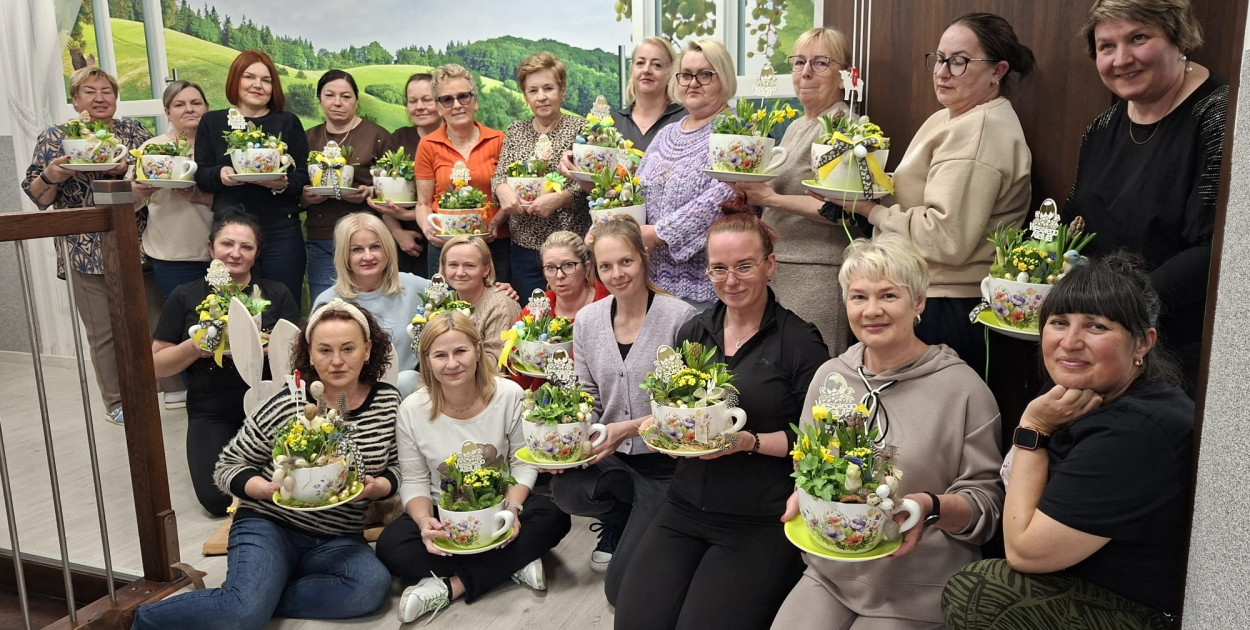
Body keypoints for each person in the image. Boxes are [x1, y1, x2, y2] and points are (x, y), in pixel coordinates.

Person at [942, 256, 1192, 630]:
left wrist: (1033, 428)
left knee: (978, 591)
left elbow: (1025, 553)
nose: (1070, 342)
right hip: (1071, 576)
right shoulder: (1075, 392)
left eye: (1096, 326)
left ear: (1143, 343)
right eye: (1059, 322)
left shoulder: (1137, 430)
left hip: (1137, 610)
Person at [771, 233, 1004, 629]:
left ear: (919, 303)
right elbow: (808, 466)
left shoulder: (964, 390)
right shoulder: (831, 377)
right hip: (831, 571)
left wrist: (927, 507)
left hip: (920, 582)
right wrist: (804, 496)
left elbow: (987, 508)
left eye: (888, 296)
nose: (871, 310)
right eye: (858, 297)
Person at [614, 214, 828, 629]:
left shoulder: (801, 343)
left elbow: (816, 441)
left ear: (770, 264)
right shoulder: (693, 331)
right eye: (719, 268)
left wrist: (749, 442)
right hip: (685, 504)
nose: (731, 280)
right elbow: (676, 407)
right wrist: (662, 428)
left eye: (744, 265)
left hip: (759, 518)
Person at [132, 300, 401, 629]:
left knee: (369, 588)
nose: (337, 361)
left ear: (368, 349)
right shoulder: (290, 401)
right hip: (269, 524)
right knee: (242, 615)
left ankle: (258, 596)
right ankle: (139, 618)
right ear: (310, 354)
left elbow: (399, 468)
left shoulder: (388, 401)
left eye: (348, 348)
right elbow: (228, 465)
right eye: (325, 350)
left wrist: (382, 486)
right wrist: (254, 486)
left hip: (337, 537)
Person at [817, 13, 1035, 376]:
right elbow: (919, 195)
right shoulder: (950, 117)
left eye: (959, 61)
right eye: (938, 58)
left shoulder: (980, 131)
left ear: (997, 71)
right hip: (922, 295)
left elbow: (946, 236)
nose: (942, 71)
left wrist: (870, 209)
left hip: (950, 306)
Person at [1064, 0, 1225, 395]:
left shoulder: (1224, 115)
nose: (1121, 59)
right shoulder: (1102, 127)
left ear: (1179, 39)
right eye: (1106, 46)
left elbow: (1217, 246)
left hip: (1177, 353)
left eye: (1139, 38)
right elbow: (1076, 218)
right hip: (1100, 342)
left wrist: (1119, 311)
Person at [375, 311, 571, 623]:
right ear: (426, 359)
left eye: (461, 351)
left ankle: (451, 586)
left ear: (478, 350)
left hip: (501, 508)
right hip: (445, 513)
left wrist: (514, 510)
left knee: (555, 515)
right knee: (391, 547)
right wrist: (425, 521)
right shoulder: (412, 409)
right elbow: (413, 479)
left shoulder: (509, 395)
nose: (452, 364)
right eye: (440, 355)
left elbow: (522, 462)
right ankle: (512, 565)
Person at [549, 218, 694, 601]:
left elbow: (688, 408)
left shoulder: (680, 317)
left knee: (620, 592)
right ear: (594, 269)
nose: (616, 274)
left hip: (667, 466)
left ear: (644, 258)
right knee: (567, 488)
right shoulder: (587, 320)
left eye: (625, 262)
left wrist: (627, 430)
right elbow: (588, 395)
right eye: (606, 266)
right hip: (615, 461)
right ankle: (622, 519)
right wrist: (573, 441)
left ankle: (656, 525)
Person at [22, 65, 154, 426]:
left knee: (149, 322)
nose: (99, 98)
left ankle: (156, 390)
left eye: (106, 91)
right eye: (89, 92)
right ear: (75, 100)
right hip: (85, 251)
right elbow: (39, 197)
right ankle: (116, 401)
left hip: (140, 244)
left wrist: (128, 172)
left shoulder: (133, 132)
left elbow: (155, 176)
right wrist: (54, 173)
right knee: (104, 333)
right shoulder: (57, 136)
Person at [151, 212, 299, 516]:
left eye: (246, 247)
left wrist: (271, 348)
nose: (235, 253)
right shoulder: (186, 296)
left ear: (256, 254)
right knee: (217, 500)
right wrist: (195, 347)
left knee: (293, 484)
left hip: (270, 407)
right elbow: (157, 366)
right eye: (227, 244)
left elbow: (300, 355)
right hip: (211, 410)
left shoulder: (276, 293)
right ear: (210, 248)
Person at [735, 27, 856, 356]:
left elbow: (842, 212)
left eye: (820, 63)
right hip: (784, 268)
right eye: (799, 62)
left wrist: (769, 198)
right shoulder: (797, 125)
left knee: (813, 376)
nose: (805, 72)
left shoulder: (843, 126)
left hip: (817, 274)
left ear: (844, 75)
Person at [194, 49, 311, 305]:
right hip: (231, 231)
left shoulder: (287, 122)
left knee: (283, 303)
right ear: (235, 80)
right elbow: (201, 173)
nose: (257, 85)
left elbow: (302, 175)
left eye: (266, 80)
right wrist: (220, 174)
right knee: (230, 305)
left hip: (281, 230)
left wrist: (283, 184)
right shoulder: (213, 122)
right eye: (249, 77)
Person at [635, 39, 738, 310]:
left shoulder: (735, 130)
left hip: (705, 290)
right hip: (653, 284)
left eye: (705, 74)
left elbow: (723, 196)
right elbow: (636, 188)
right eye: (686, 74)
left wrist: (659, 233)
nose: (693, 82)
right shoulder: (667, 133)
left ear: (724, 78)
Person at [491, 52, 590, 299]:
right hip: (524, 247)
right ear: (525, 96)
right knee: (534, 316)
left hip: (569, 249)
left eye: (549, 88)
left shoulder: (582, 129)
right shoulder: (515, 130)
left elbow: (595, 184)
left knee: (572, 314)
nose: (542, 96)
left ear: (562, 91)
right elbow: (500, 175)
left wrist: (562, 198)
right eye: (533, 90)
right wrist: (502, 191)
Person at [314, 212, 429, 398]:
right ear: (345, 255)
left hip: (406, 393)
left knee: (408, 379)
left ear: (387, 249)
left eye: (375, 247)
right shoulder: (327, 301)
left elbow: (461, 300)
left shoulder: (415, 287)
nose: (368, 257)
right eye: (357, 250)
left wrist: (491, 289)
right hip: (348, 395)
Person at [302, 69, 391, 300]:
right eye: (329, 95)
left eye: (346, 96)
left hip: (367, 241)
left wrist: (370, 192)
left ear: (356, 101)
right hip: (323, 238)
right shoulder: (307, 138)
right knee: (327, 306)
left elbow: (395, 184)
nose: (337, 103)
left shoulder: (377, 136)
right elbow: (294, 190)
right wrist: (306, 197)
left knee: (370, 303)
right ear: (320, 99)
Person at [415, 63, 509, 280]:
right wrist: (429, 230)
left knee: (496, 307)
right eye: (447, 99)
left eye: (463, 97)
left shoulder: (498, 140)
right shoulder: (428, 145)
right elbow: (423, 203)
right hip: (446, 249)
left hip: (494, 245)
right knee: (445, 310)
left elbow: (509, 195)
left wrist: (497, 222)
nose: (456, 105)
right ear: (439, 108)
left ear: (475, 102)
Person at [132, 80, 215, 297]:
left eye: (196, 103)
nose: (189, 109)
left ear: (207, 108)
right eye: (179, 105)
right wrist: (139, 191)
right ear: (168, 113)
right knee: (188, 326)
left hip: (224, 255)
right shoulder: (151, 149)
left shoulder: (221, 148)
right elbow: (130, 202)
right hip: (171, 257)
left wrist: (202, 196)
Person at [507, 230, 610, 390]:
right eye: (550, 268)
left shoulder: (608, 303)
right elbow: (516, 378)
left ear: (587, 267)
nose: (559, 275)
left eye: (568, 265)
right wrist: (528, 361)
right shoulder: (536, 309)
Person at [372, 73, 443, 275]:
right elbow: (383, 193)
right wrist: (397, 232)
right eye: (413, 101)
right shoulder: (399, 137)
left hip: (443, 235)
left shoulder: (453, 137)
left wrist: (410, 214)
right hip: (405, 241)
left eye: (427, 100)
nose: (419, 106)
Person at [440, 235, 521, 365]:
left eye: (469, 266)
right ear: (444, 269)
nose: (460, 272)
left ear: (486, 270)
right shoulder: (443, 301)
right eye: (453, 265)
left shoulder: (500, 305)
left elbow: (495, 365)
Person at [616, 37, 686, 151]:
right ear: (632, 70)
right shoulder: (612, 123)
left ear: (670, 73)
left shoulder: (685, 121)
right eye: (640, 63)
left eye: (657, 65)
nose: (646, 70)